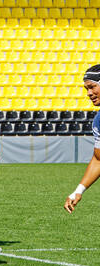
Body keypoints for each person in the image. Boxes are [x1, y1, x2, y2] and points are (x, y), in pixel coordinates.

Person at [64, 64, 100, 213]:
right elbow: (99, 159)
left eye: (92, 87)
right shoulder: (98, 121)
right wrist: (78, 190)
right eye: (86, 89)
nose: (89, 93)